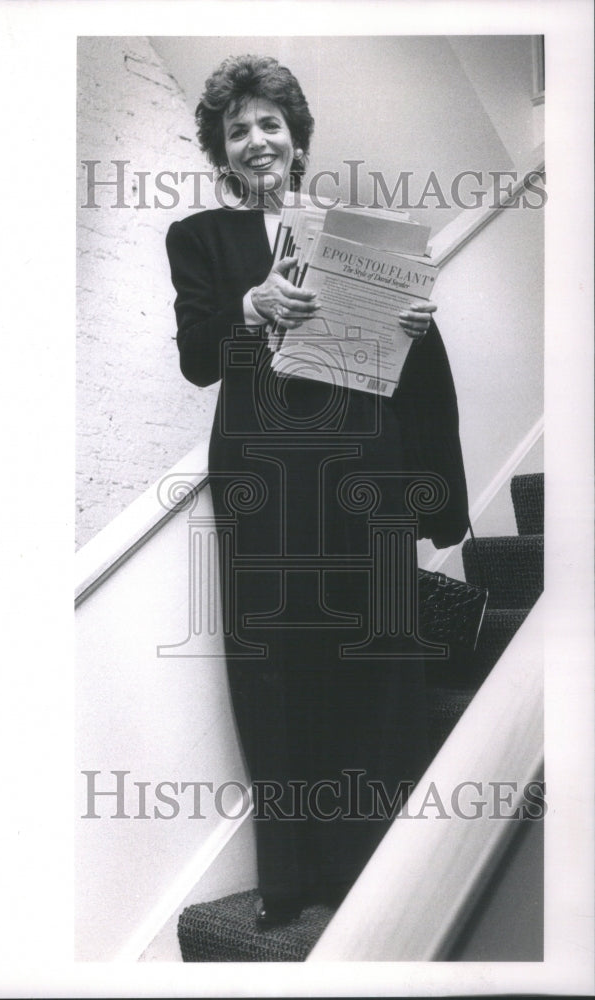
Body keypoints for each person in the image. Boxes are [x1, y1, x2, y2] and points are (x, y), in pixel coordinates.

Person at [165, 55, 469, 928]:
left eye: (270, 124)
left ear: (297, 139)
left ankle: (389, 861)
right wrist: (251, 308)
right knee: (276, 660)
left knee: (378, 650)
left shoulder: (357, 231)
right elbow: (196, 361)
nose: (256, 140)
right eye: (238, 129)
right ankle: (293, 874)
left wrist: (418, 325)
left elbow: (404, 369)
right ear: (221, 151)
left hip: (361, 457)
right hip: (263, 467)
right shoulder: (200, 239)